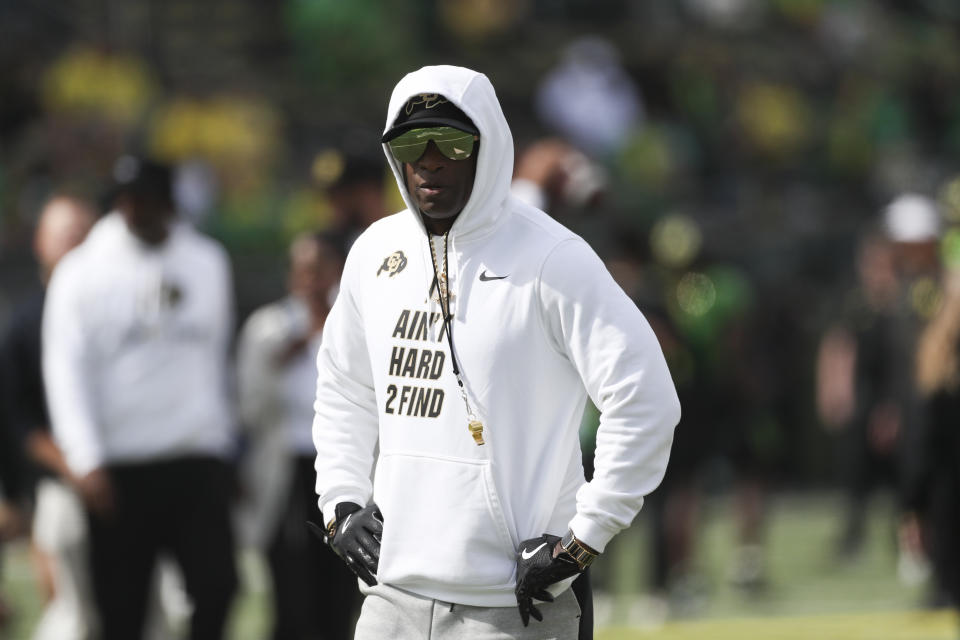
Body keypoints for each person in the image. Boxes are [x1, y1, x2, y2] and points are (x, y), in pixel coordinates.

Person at [311, 65, 680, 640]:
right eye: (411, 143)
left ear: (487, 147)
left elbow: (647, 399)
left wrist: (583, 539)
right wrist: (339, 502)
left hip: (519, 604)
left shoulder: (554, 257)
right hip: (393, 601)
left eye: (450, 143)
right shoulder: (374, 253)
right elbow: (343, 388)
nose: (429, 160)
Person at [42, 157, 239, 640]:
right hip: (120, 466)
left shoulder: (207, 261)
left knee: (217, 587)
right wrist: (85, 457)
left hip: (196, 457)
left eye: (149, 200)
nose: (137, 210)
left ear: (170, 203)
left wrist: (225, 440)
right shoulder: (81, 271)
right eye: (129, 200)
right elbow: (65, 370)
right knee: (122, 609)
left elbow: (216, 357)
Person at [237, 232, 359, 639]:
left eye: (320, 271)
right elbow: (248, 408)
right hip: (285, 467)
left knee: (339, 587)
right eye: (303, 271)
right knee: (291, 587)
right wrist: (281, 360)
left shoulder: (355, 323)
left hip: (341, 469)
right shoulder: (267, 328)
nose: (312, 281)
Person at [1, 192, 99, 639]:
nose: (76, 248)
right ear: (40, 243)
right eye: (66, 237)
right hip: (58, 487)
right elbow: (19, 424)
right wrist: (75, 467)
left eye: (84, 236)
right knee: (72, 613)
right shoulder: (23, 327)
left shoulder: (111, 313)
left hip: (128, 483)